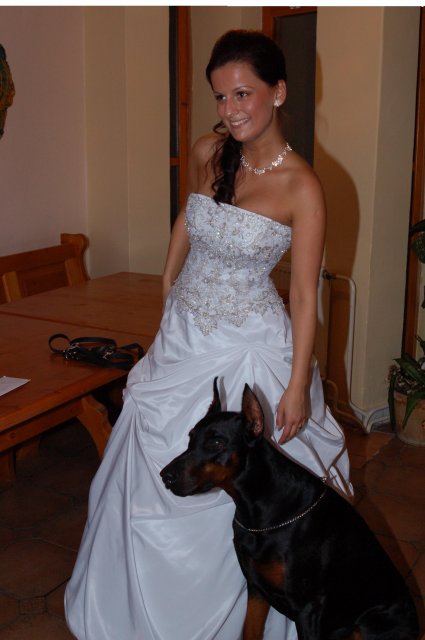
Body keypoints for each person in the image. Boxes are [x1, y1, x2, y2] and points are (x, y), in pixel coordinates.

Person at [65, 29, 353, 640]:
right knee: (146, 465)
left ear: (278, 92)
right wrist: (169, 278)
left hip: (248, 346)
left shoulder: (302, 186)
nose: (230, 109)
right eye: (221, 96)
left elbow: (305, 295)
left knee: (244, 490)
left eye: (243, 94)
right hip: (182, 339)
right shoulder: (209, 150)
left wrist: (295, 386)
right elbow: (189, 217)